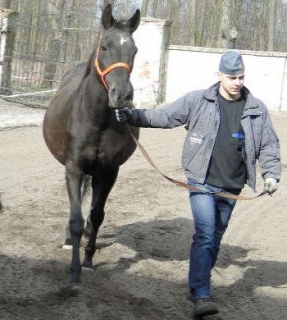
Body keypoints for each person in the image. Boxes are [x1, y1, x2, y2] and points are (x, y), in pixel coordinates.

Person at [116, 51, 281, 318]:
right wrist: (132, 116)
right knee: (205, 234)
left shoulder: (256, 109)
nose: (236, 82)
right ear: (219, 75)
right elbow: (165, 117)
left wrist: (271, 174)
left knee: (215, 237)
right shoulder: (199, 100)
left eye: (240, 77)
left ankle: (199, 279)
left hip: (233, 187)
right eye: (231, 77)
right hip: (201, 181)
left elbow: (269, 145)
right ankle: (201, 293)